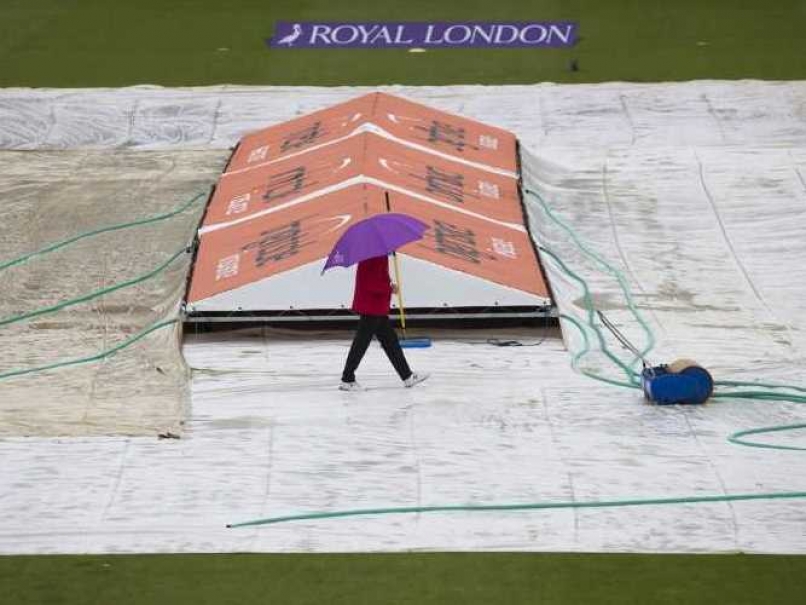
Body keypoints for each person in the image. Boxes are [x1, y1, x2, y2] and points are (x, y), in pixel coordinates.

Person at [340, 255, 429, 391]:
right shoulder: (375, 255)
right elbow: (371, 283)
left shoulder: (375, 254)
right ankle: (347, 379)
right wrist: (390, 289)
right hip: (372, 306)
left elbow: (376, 278)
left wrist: (389, 284)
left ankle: (407, 376)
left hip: (375, 306)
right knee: (361, 343)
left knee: (390, 342)